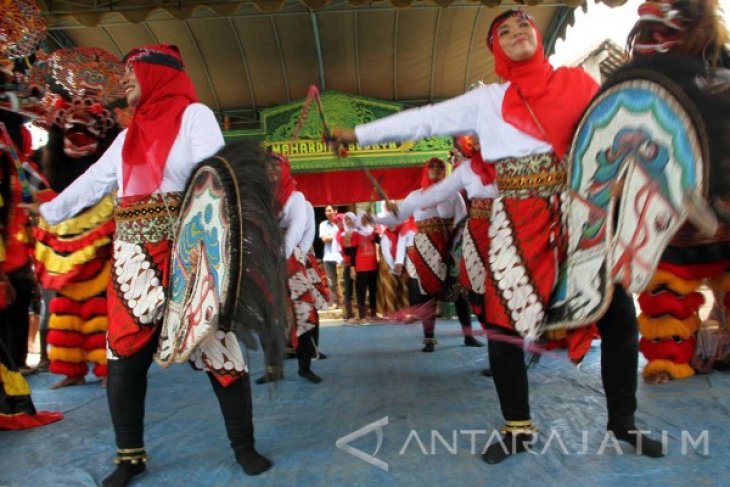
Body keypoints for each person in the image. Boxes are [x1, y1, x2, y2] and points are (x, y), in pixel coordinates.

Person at [331, 10, 663, 463]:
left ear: (537, 35)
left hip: (578, 213)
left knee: (619, 315)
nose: (515, 33)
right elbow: (426, 120)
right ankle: (517, 427)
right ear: (495, 50)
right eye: (502, 31)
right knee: (503, 327)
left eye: (522, 25)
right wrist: (356, 134)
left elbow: (613, 132)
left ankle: (623, 422)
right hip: (517, 221)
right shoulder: (487, 101)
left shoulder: (578, 83)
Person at [29, 44, 273, 486]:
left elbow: (216, 173)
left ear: (158, 74)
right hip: (132, 257)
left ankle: (244, 447)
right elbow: (92, 185)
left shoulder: (194, 117)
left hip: (189, 250)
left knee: (218, 348)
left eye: (131, 72)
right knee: (123, 358)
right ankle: (130, 457)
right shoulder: (126, 138)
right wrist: (44, 213)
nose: (124, 81)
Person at [620, 0, 730, 383]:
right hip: (669, 210)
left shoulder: (722, 69)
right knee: (665, 294)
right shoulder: (636, 83)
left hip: (724, 202)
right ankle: (667, 361)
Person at [377, 158, 482, 351]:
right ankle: (429, 339)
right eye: (432, 167)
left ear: (445, 172)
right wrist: (373, 218)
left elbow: (461, 223)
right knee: (428, 294)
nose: (436, 170)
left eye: (440, 167)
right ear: (426, 170)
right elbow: (397, 217)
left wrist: (455, 248)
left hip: (451, 246)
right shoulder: (415, 196)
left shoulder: (454, 195)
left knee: (459, 293)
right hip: (426, 248)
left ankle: (468, 337)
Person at [264, 153, 323, 384]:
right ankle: (272, 368)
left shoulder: (296, 198)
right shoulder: (260, 196)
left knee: (302, 312)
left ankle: (304, 367)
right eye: (267, 168)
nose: (271, 172)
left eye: (276, 168)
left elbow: (298, 230)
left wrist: (284, 257)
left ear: (285, 170)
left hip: (289, 260)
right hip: (266, 259)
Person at [319, 204, 342, 308]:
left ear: (335, 211)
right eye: (326, 211)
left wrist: (332, 237)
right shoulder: (323, 224)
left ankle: (344, 302)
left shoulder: (341, 222)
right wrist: (338, 236)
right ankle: (334, 302)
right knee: (331, 281)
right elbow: (324, 239)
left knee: (342, 281)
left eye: (329, 210)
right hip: (328, 256)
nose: (327, 213)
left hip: (341, 256)